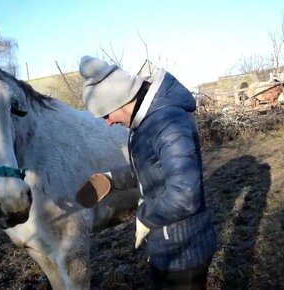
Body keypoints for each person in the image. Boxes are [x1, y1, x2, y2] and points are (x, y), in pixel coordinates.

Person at [76, 56, 217, 290]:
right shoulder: (145, 124)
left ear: (119, 102)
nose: (108, 123)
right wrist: (112, 179)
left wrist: (145, 216)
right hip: (165, 244)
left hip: (185, 250)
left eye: (106, 115)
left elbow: (185, 195)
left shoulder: (168, 123)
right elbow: (150, 167)